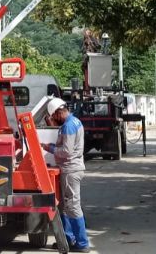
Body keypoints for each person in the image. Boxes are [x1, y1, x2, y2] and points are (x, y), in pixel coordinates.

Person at [43, 98, 90, 252]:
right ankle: (67, 239)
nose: (54, 121)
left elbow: (66, 151)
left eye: (54, 117)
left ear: (59, 112)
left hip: (71, 170)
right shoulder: (74, 122)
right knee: (64, 206)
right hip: (70, 169)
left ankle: (82, 243)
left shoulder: (68, 126)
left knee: (73, 207)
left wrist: (48, 148)